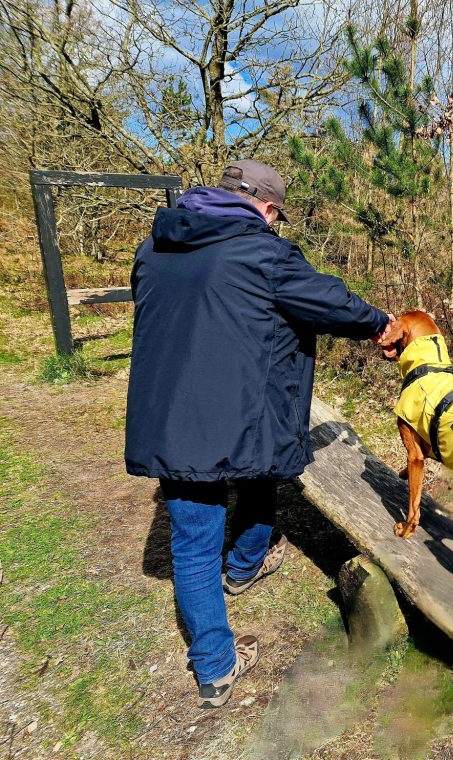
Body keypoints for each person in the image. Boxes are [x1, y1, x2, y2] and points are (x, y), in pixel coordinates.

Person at [125, 160, 392, 708]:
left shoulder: (153, 248)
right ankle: (241, 576)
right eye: (276, 215)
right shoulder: (264, 253)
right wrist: (381, 323)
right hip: (241, 412)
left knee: (192, 542)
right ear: (267, 208)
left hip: (168, 418)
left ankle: (216, 660)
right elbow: (331, 302)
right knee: (259, 471)